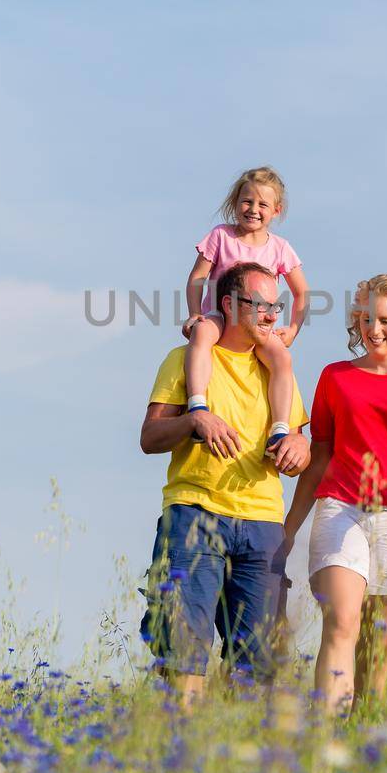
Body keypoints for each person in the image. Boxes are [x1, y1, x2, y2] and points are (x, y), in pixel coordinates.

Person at [280, 273, 387, 714]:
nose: (374, 330)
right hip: (341, 509)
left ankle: (359, 750)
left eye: (385, 320)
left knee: (375, 655)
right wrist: (288, 528)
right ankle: (325, 740)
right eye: (365, 319)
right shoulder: (336, 377)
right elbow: (319, 456)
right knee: (341, 624)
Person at [140, 261, 311, 700]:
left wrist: (298, 451)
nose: (273, 316)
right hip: (194, 515)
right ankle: (181, 753)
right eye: (261, 306)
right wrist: (195, 420)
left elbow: (300, 443)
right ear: (230, 305)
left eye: (277, 306)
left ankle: (238, 759)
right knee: (182, 650)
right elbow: (150, 437)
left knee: (257, 663)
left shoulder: (279, 373)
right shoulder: (185, 360)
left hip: (263, 526)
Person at [182, 166, 309, 455]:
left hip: (256, 326)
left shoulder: (279, 248)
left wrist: (292, 328)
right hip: (220, 317)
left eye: (262, 204)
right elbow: (197, 277)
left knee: (281, 359)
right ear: (235, 202)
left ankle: (278, 431)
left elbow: (302, 292)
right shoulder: (221, 236)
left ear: (276, 210)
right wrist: (194, 313)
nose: (253, 209)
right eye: (247, 201)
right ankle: (197, 403)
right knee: (201, 334)